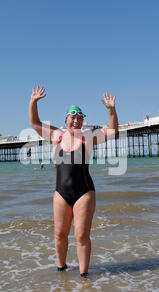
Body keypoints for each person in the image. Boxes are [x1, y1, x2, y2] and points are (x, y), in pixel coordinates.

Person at [29, 86, 119, 277]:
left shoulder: (88, 137)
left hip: (84, 192)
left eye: (80, 117)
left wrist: (111, 110)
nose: (76, 120)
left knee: (81, 235)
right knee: (60, 234)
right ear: (66, 120)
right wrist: (33, 102)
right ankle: (61, 271)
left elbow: (112, 130)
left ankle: (84, 277)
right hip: (61, 193)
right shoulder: (56, 136)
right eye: (73, 117)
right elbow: (35, 123)